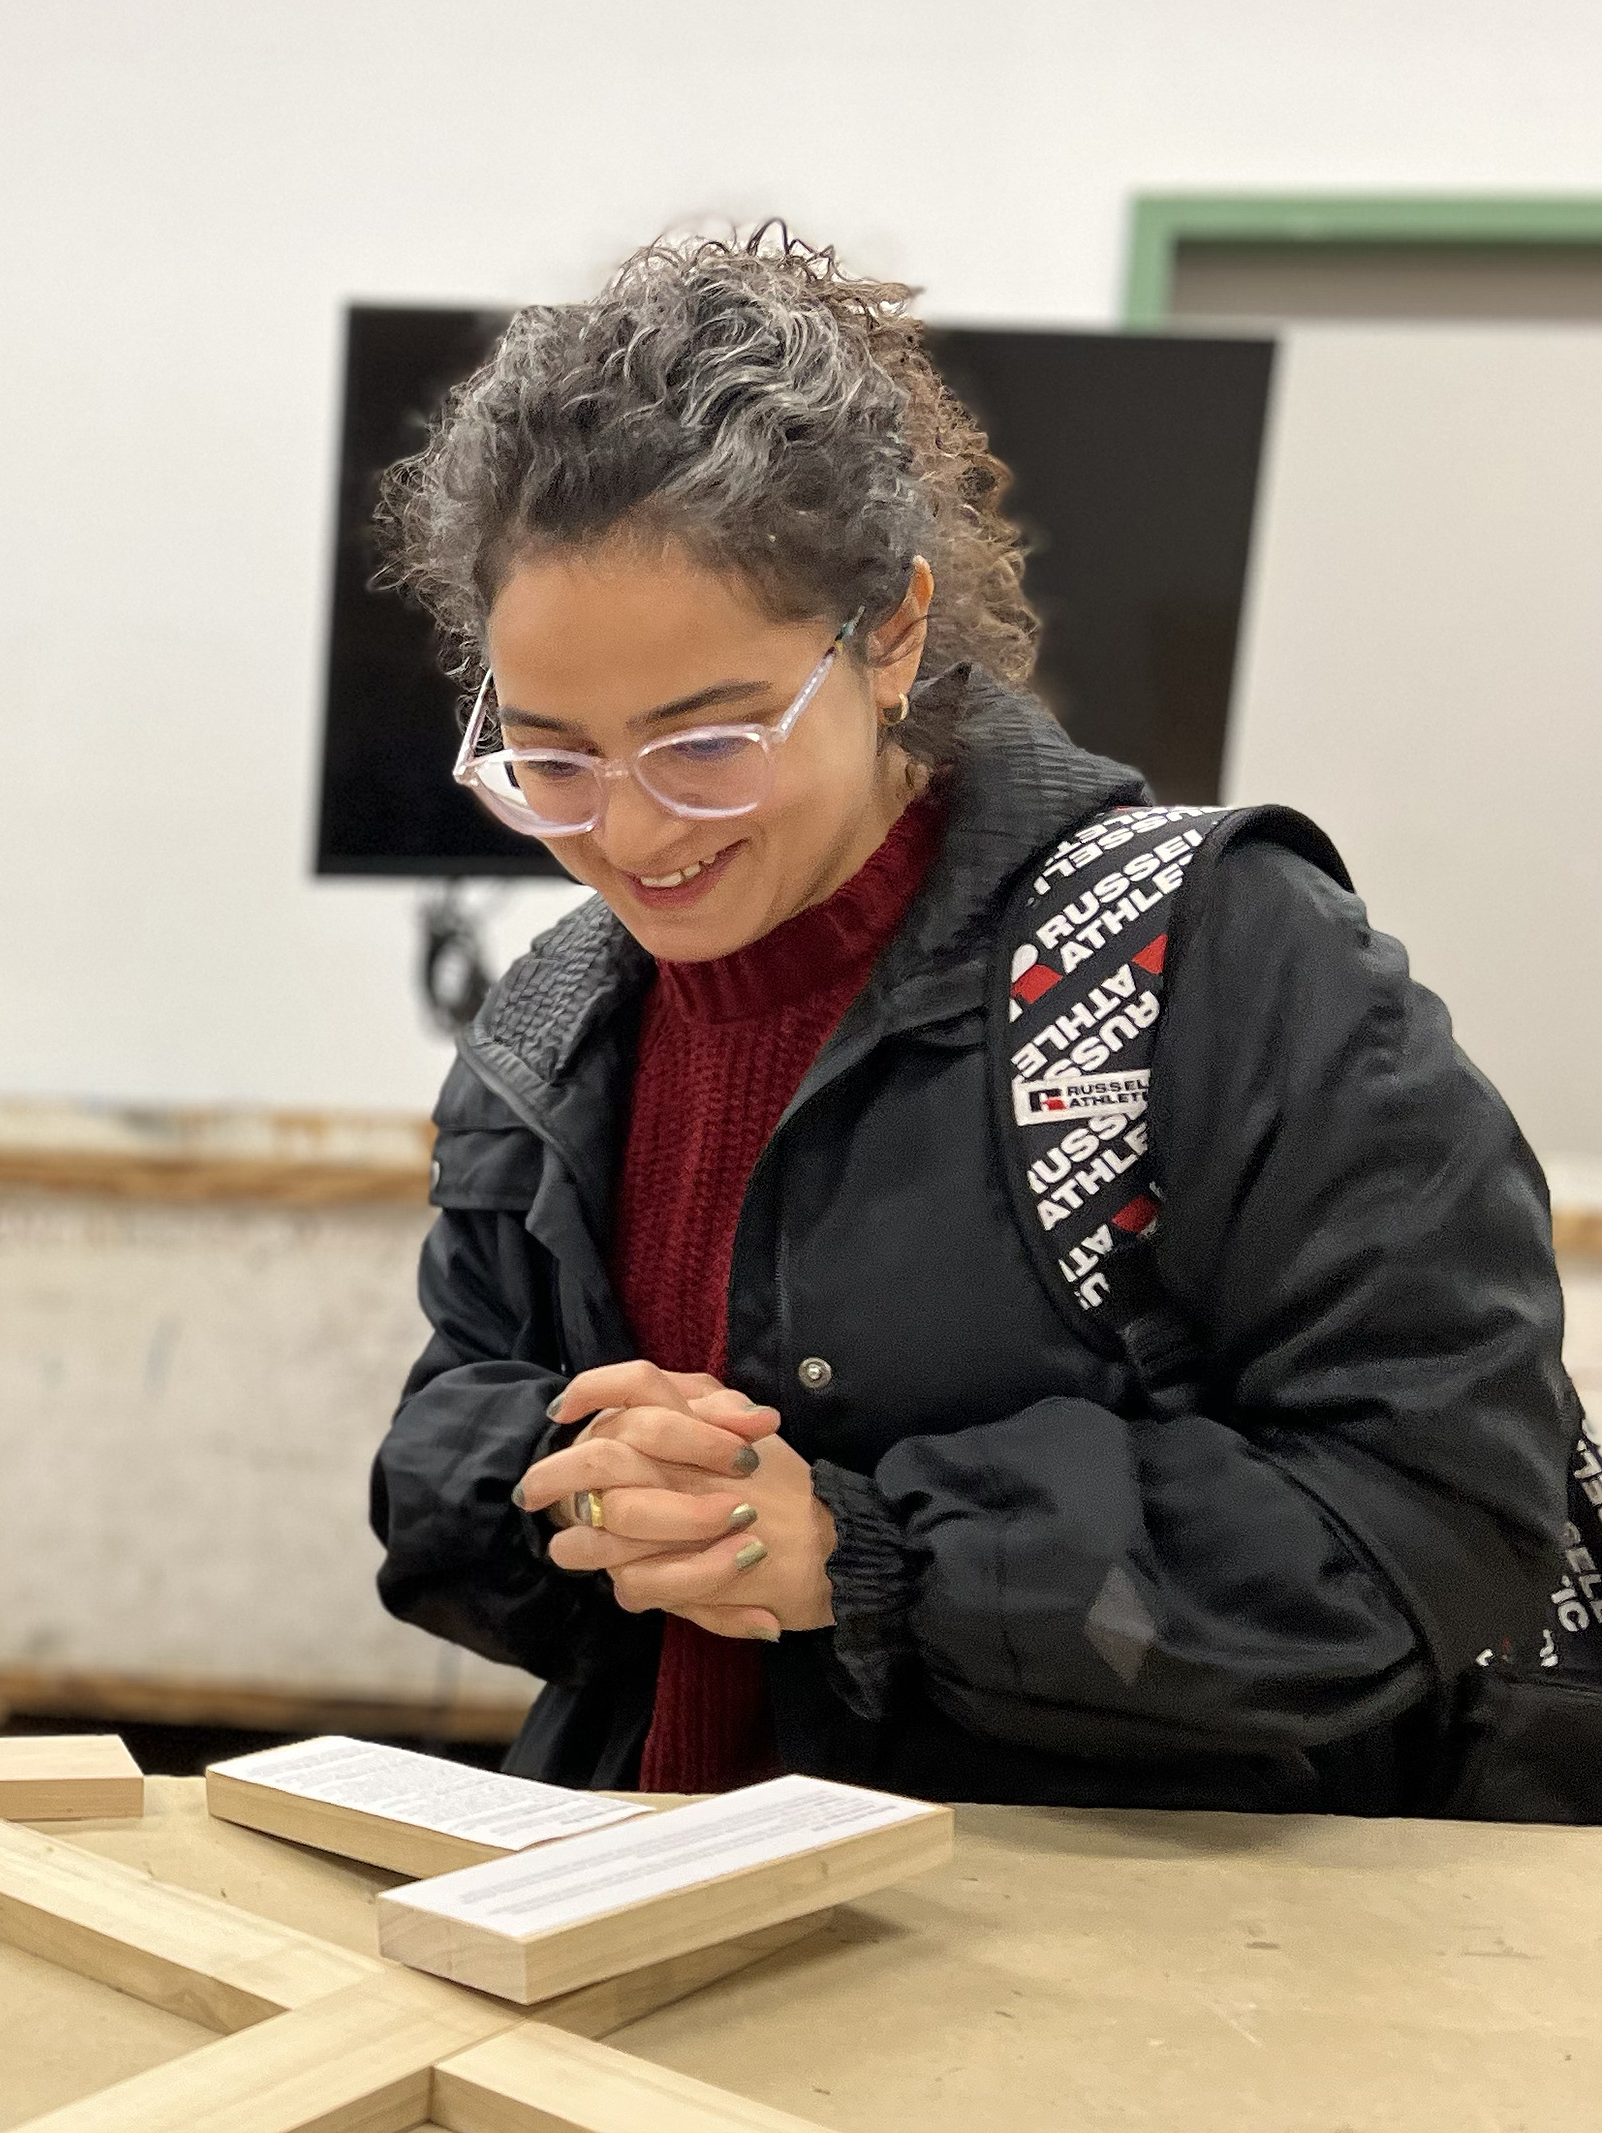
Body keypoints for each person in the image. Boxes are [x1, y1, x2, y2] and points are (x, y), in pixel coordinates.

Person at [367, 229, 1581, 1813]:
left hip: (1120, 1971)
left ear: (892, 635)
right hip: (647, 1908)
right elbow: (444, 1447)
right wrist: (579, 1487)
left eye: (708, 743)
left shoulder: (1217, 963)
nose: (634, 834)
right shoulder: (557, 1027)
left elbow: (1446, 1504)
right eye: (551, 760)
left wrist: (867, 1557)